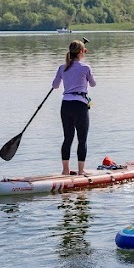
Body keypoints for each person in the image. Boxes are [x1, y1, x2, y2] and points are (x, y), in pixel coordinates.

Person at [52, 39, 95, 176]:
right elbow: (93, 84)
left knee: (68, 138)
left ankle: (65, 170)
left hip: (66, 105)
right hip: (80, 106)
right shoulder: (85, 68)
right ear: (82, 52)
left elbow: (55, 85)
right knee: (82, 139)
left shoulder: (62, 67)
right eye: (85, 51)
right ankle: (81, 171)